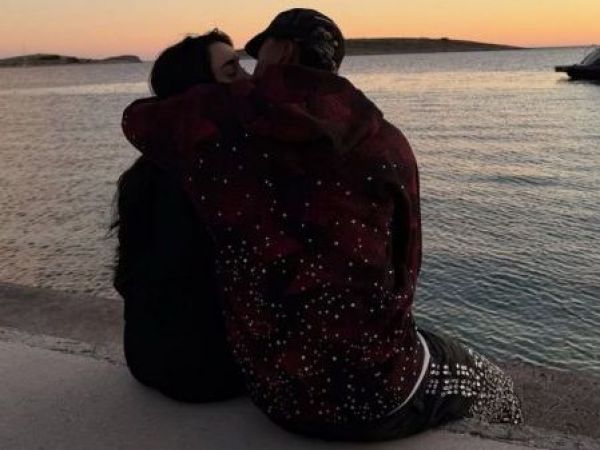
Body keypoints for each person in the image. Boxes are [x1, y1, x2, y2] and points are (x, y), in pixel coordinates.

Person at [121, 9, 522, 440]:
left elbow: (139, 117)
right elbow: (406, 270)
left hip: (272, 390)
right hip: (375, 397)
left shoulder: (223, 146)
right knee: (497, 386)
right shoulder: (386, 144)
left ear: (283, 50)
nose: (251, 70)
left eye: (258, 54)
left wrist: (234, 102)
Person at [112, 30, 248, 403]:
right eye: (233, 70)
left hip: (145, 356)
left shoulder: (148, 169)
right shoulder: (218, 173)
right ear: (199, 91)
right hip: (209, 370)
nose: (248, 78)